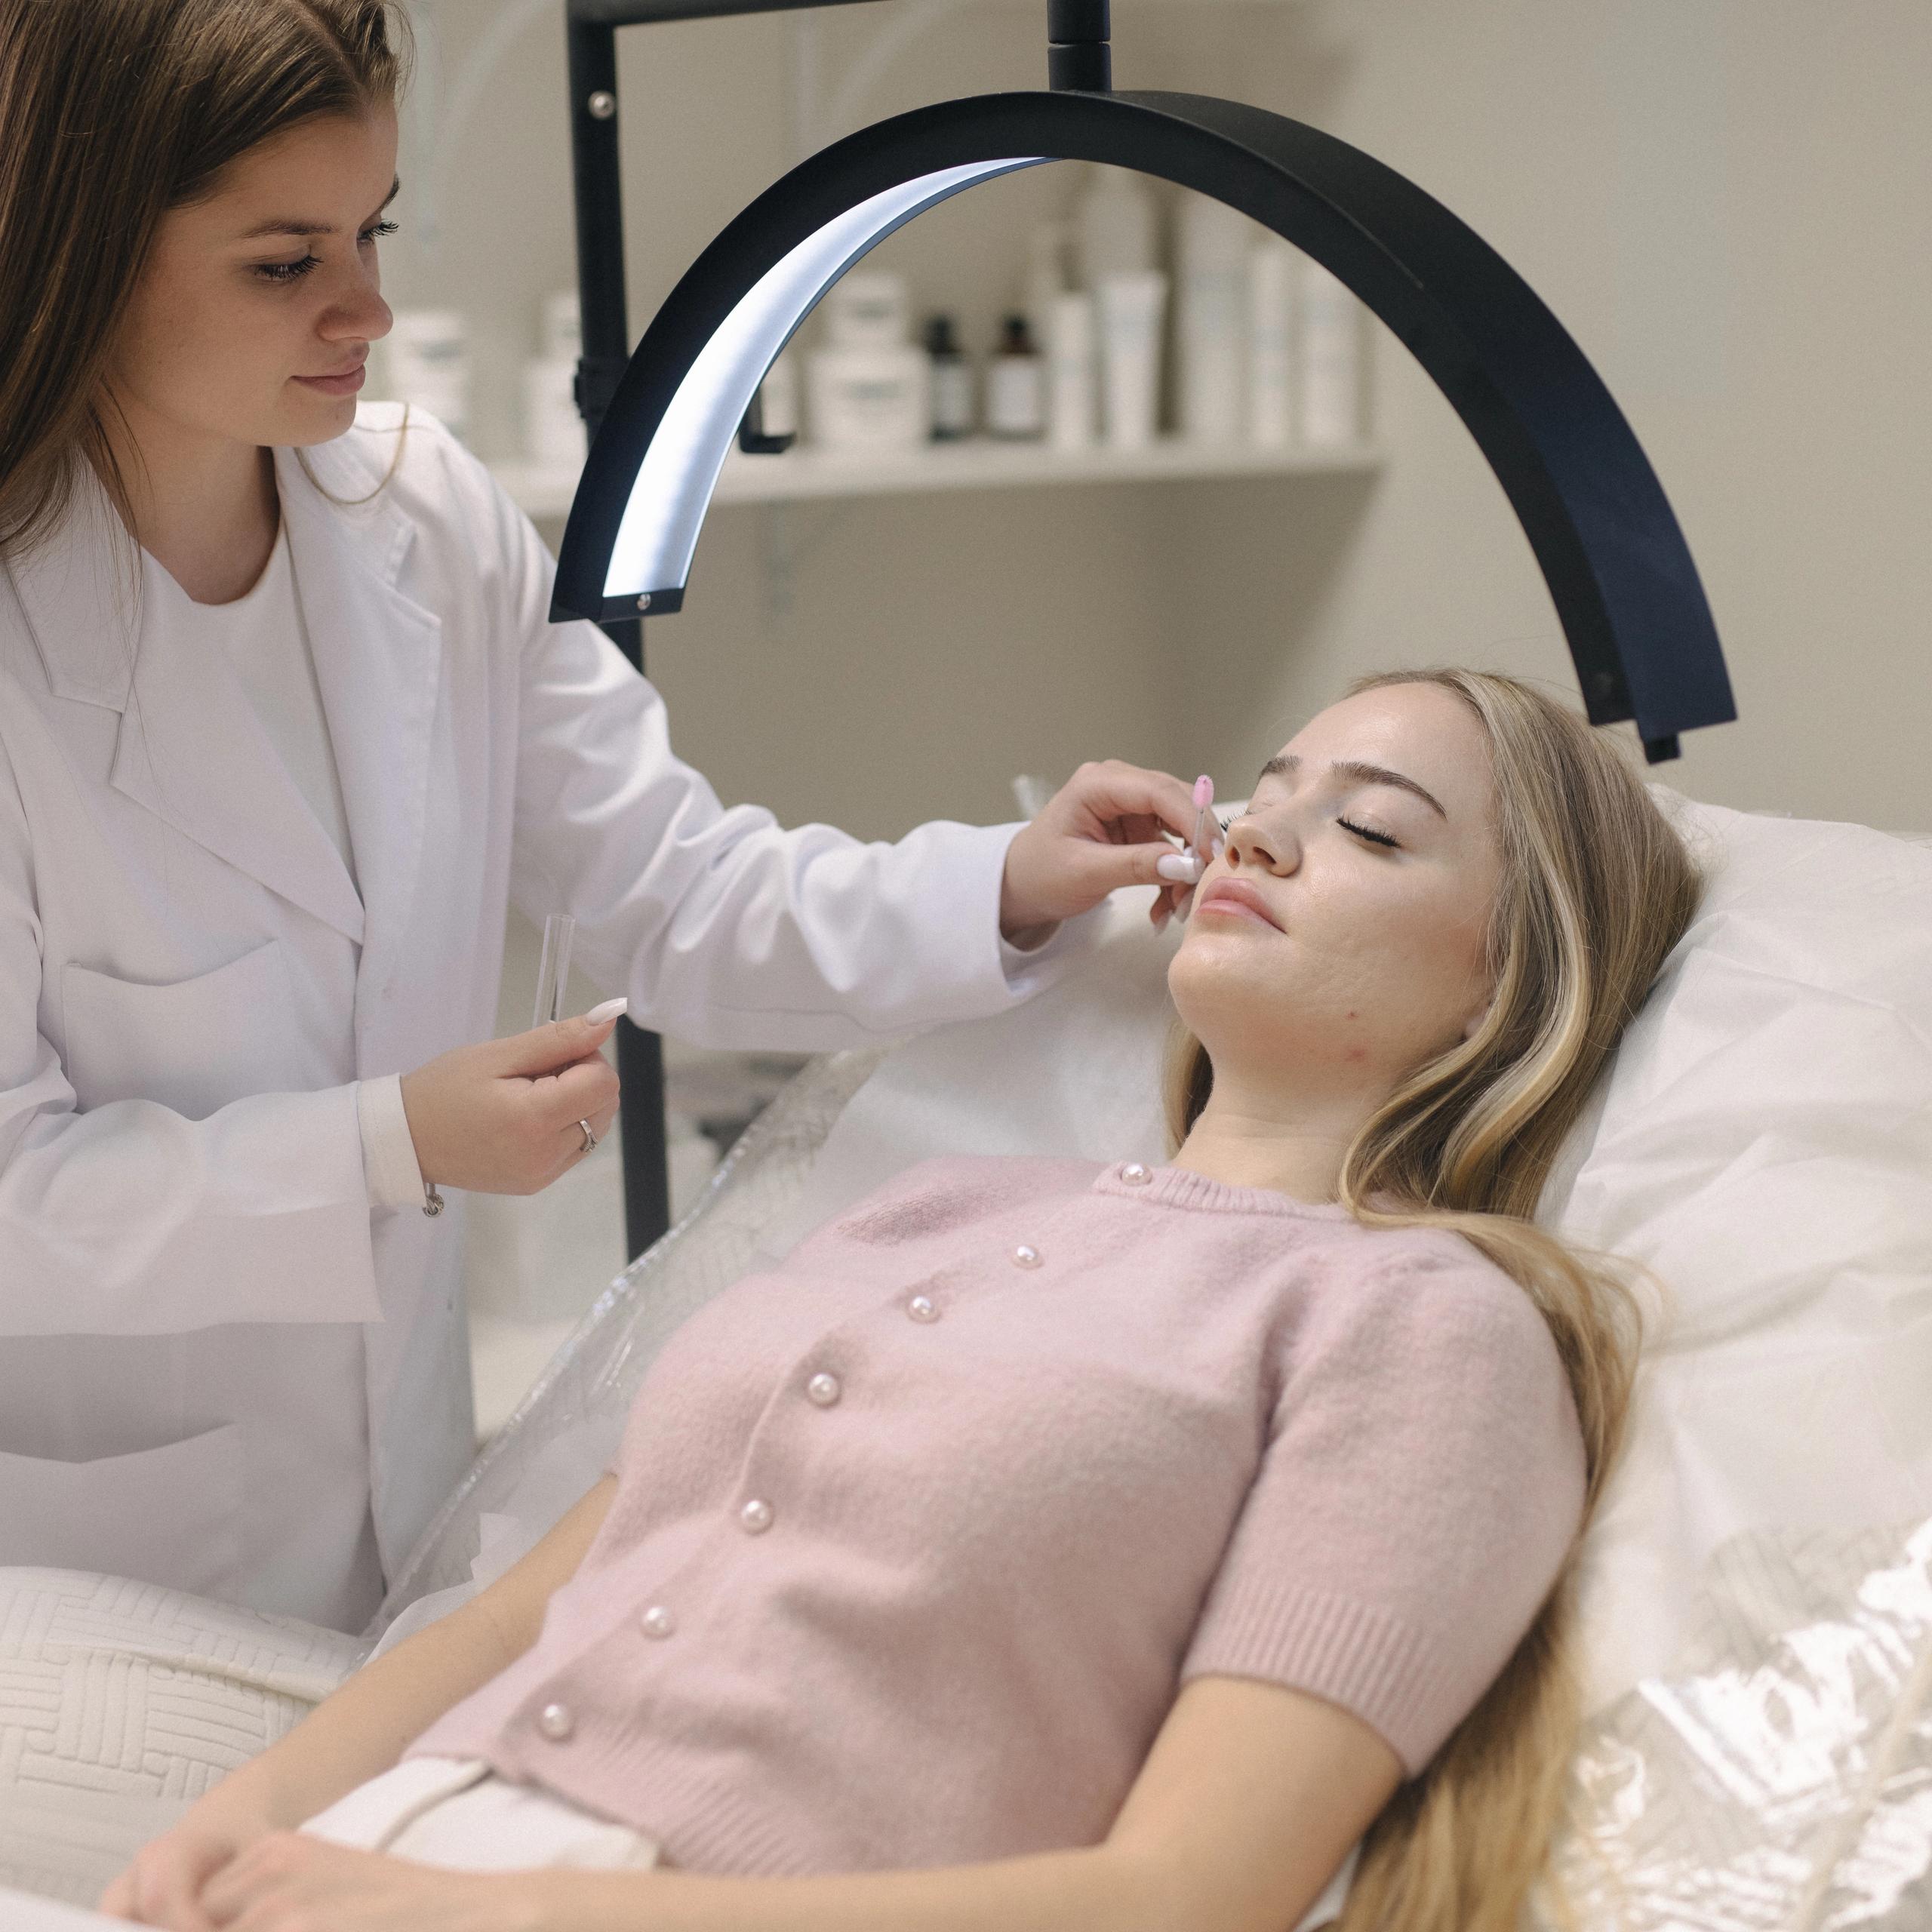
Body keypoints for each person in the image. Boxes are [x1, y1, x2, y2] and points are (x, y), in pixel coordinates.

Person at [97, 669, 1703, 1932]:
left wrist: (518, 1907)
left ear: (1516, 974)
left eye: (1371, 829)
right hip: (374, 1858)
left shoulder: (1431, 1329)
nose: (1261, 836)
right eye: (1263, 791)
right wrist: (245, 1816)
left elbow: (1189, 1896)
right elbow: (534, 1602)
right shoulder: (939, 1206)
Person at [0, 0, 1204, 1635]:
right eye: (285, 262)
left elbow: (669, 888)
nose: (368, 306)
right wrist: (390, 1141)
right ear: (74, 248)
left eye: (376, 229)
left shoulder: (423, 513)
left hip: (404, 1518)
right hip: (98, 1571)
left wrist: (1002, 882)